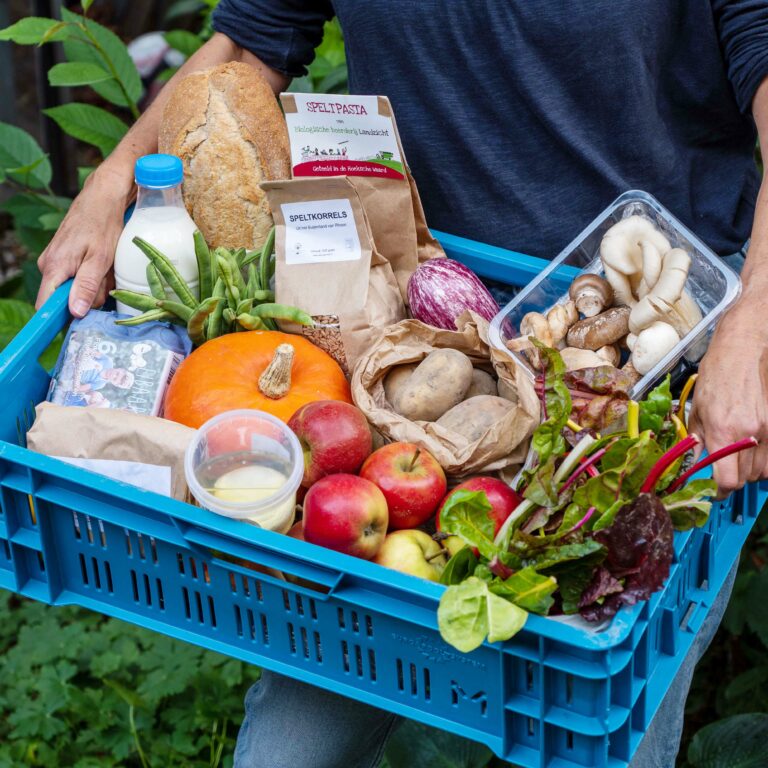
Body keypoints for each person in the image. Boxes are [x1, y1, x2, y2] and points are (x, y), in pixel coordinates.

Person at [34, 2, 768, 766]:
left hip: (653, 350)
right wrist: (117, 181)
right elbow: (249, 44)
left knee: (605, 731)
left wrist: (752, 326)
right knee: (287, 753)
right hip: (401, 337)